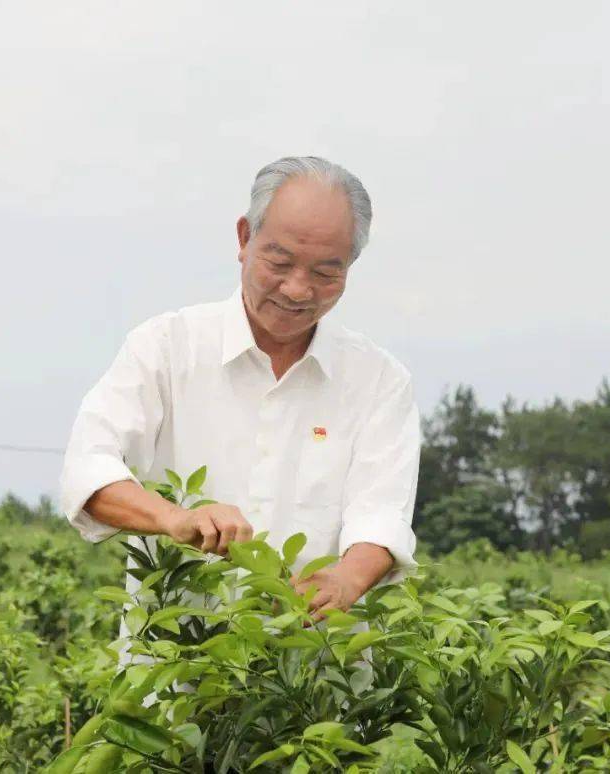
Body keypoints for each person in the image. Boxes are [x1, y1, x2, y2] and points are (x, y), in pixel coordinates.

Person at [58, 156, 419, 623]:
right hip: (177, 670)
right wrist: (175, 518)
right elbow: (88, 466)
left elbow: (382, 511)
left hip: (317, 678)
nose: (296, 289)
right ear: (245, 238)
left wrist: (346, 578)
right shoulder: (166, 347)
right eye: (280, 261)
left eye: (325, 273)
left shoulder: (379, 381)